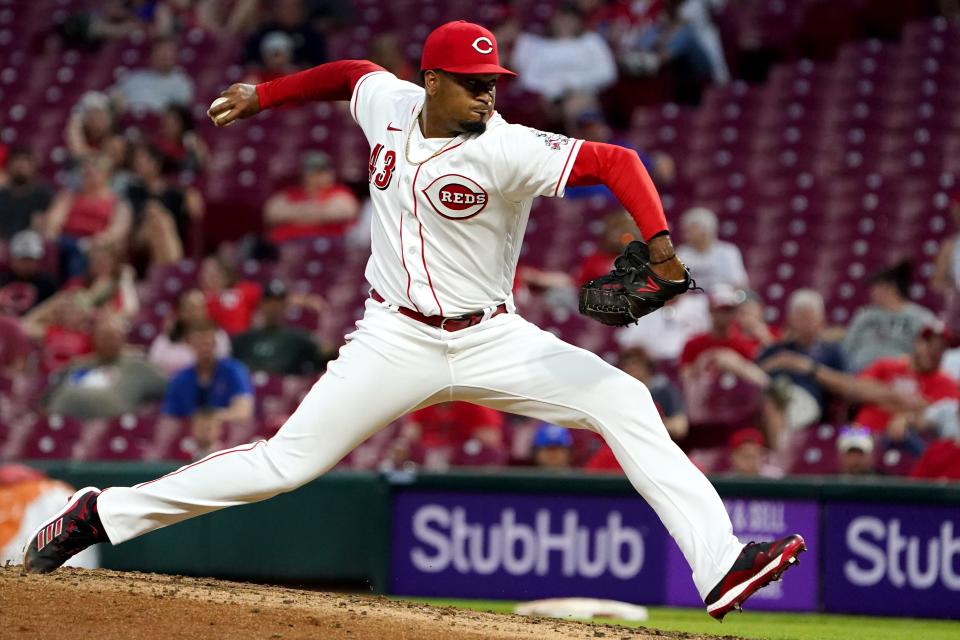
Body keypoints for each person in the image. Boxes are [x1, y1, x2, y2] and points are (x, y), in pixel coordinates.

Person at [26, 21, 804, 621]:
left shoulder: (509, 150)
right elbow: (350, 75)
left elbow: (618, 163)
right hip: (393, 337)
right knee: (284, 465)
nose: (488, 96)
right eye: (471, 84)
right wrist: (265, 95)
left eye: (493, 81)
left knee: (626, 402)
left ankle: (722, 563)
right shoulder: (391, 104)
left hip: (494, 336)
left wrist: (660, 246)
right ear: (431, 81)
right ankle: (98, 512)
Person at [42, 314, 167, 420]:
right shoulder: (77, 365)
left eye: (111, 337)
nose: (107, 341)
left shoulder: (139, 366)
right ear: (93, 339)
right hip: (61, 425)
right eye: (102, 336)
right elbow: (48, 397)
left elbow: (170, 388)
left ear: (122, 339)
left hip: (110, 431)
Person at [757, 290, 845, 431]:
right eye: (800, 317)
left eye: (809, 317)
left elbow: (846, 386)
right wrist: (776, 363)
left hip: (805, 404)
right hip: (771, 399)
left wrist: (809, 368)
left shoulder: (831, 352)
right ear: (790, 319)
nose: (805, 323)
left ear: (821, 319)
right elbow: (753, 377)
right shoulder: (775, 350)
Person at [42, 155, 132, 280]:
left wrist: (95, 242)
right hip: (66, 239)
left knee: (79, 254)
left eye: (93, 174)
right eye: (86, 174)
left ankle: (74, 285)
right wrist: (52, 232)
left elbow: (117, 231)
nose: (88, 178)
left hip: (95, 243)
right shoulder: (69, 196)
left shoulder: (117, 203)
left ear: (105, 176)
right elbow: (54, 219)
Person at [842, 261, 936, 373]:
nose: (871, 292)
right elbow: (847, 348)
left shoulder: (921, 317)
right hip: (860, 372)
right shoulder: (864, 315)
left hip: (899, 374)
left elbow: (928, 352)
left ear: (891, 288)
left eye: (876, 287)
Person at [159, 319, 255, 427]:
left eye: (207, 343)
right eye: (199, 344)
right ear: (190, 345)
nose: (204, 349)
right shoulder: (180, 379)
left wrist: (207, 419)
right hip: (188, 436)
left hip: (228, 434)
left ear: (215, 343)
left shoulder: (234, 371)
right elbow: (168, 418)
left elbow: (243, 412)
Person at [125, 144, 204, 267]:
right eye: (136, 161)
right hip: (140, 235)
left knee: (161, 221)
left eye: (142, 160)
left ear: (156, 163)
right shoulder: (134, 190)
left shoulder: (174, 192)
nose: (137, 164)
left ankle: (162, 273)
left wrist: (192, 196)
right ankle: (172, 270)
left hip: (168, 235)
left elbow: (195, 213)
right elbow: (132, 220)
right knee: (156, 217)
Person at [231, 279, 329, 376]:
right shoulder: (242, 340)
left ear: (285, 306)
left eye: (279, 303)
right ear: (261, 304)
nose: (274, 307)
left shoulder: (298, 339)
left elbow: (326, 355)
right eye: (269, 302)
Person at [263, 150, 359, 243]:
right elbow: (271, 213)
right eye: (313, 172)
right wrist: (317, 213)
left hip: (325, 242)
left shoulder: (339, 191)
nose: (317, 177)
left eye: (322, 171)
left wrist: (294, 213)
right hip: (287, 242)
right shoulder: (292, 192)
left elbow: (343, 211)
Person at [397, 401, 506, 470]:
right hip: (427, 460)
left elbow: (492, 438)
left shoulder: (472, 404)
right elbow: (410, 434)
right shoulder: (425, 403)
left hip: (462, 464)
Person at [148, 288, 232, 377]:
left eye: (197, 308)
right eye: (187, 308)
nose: (193, 312)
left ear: (205, 310)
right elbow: (153, 365)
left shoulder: (218, 335)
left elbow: (221, 362)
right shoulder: (166, 338)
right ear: (180, 312)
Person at [112, 36, 194, 113]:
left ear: (176, 56)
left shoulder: (181, 83)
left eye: (168, 52)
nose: (164, 55)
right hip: (129, 120)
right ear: (151, 55)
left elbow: (178, 115)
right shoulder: (135, 77)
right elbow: (115, 96)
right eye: (160, 51)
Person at [675, 207, 749, 291]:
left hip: (722, 299)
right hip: (691, 300)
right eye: (685, 231)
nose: (686, 236)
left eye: (691, 230)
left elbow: (740, 283)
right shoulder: (681, 253)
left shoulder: (728, 251)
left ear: (705, 230)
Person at [198, 255, 262, 335]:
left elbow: (267, 300)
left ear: (226, 273)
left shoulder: (244, 290)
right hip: (217, 341)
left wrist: (260, 316)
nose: (211, 275)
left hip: (244, 338)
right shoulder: (198, 299)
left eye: (216, 271)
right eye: (206, 271)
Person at [0, 230, 59, 316]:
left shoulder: (47, 284)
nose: (26, 264)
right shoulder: (3, 280)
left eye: (30, 259)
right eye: (23, 259)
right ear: (12, 258)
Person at [0, 147, 53, 240]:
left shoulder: (43, 195)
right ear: (8, 165)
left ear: (34, 166)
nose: (21, 165)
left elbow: (46, 229)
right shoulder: (2, 195)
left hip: (30, 244)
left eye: (26, 160)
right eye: (17, 160)